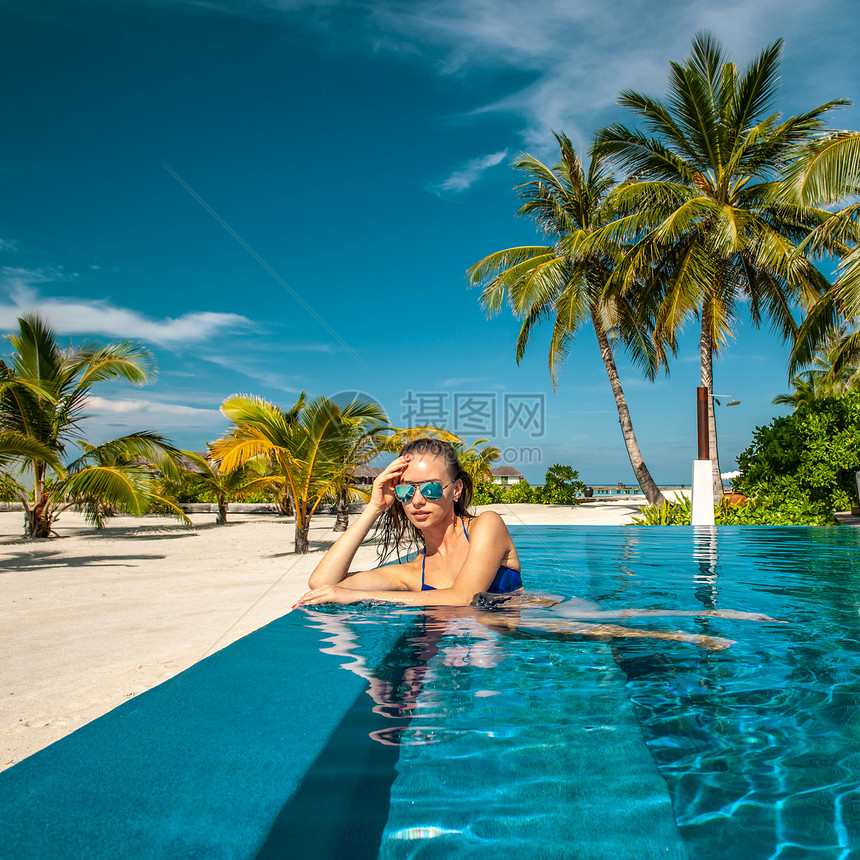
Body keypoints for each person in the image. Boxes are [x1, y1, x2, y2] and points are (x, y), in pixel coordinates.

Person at [296, 438, 522, 607]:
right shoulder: (413, 573)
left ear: (456, 489)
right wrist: (374, 508)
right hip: (445, 653)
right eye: (406, 490)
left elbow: (463, 597)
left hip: (511, 655)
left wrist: (355, 596)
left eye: (431, 488)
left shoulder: (486, 526)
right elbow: (321, 582)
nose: (417, 500)